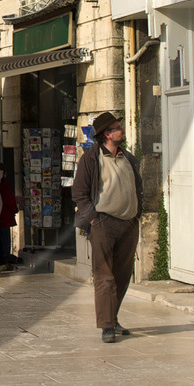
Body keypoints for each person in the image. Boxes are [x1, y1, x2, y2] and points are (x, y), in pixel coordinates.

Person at [72, 112, 143, 343]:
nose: (122, 130)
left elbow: (137, 188)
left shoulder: (128, 158)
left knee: (122, 276)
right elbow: (80, 193)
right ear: (107, 134)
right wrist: (93, 219)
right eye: (118, 128)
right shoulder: (91, 159)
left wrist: (136, 215)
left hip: (129, 223)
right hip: (103, 222)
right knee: (104, 276)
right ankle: (106, 326)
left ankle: (113, 317)